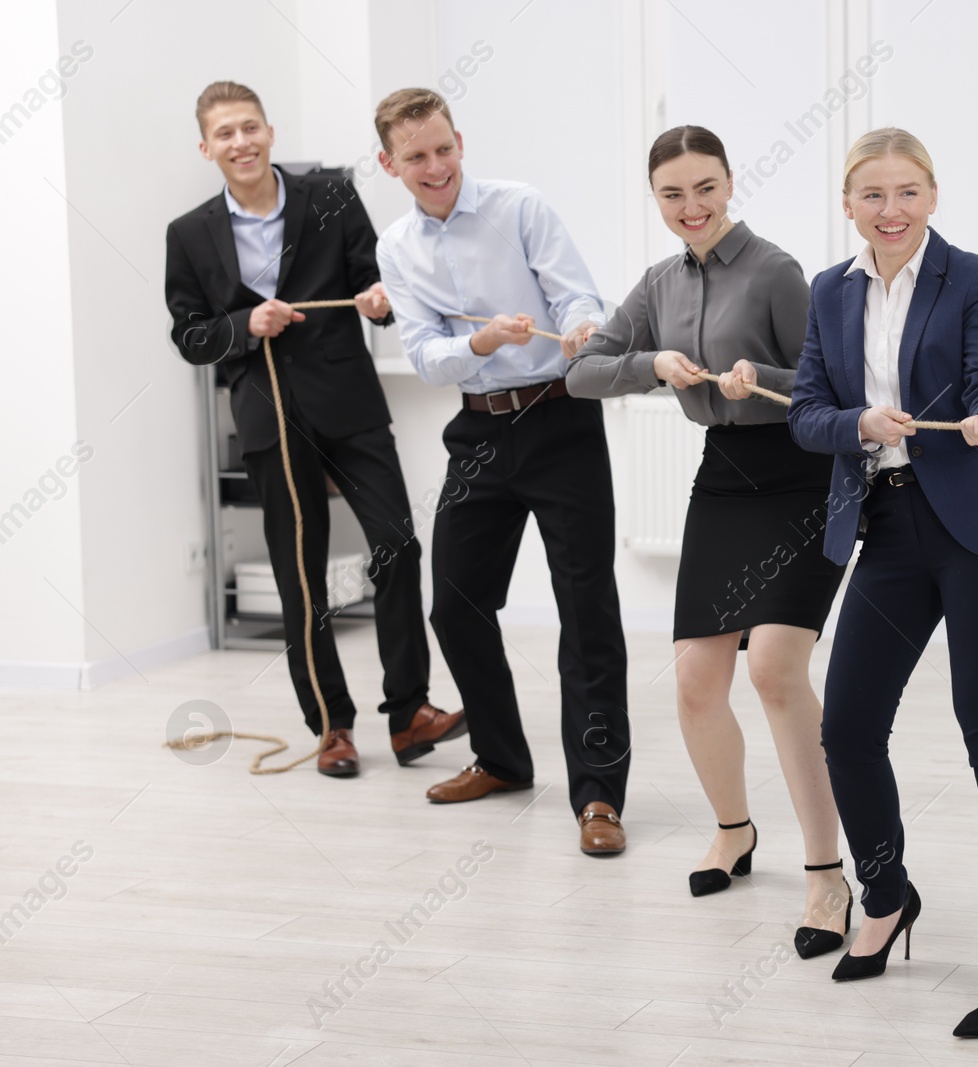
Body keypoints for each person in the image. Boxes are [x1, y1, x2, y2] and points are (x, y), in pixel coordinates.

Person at [787, 127, 978, 1037]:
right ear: (849, 204)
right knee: (847, 727)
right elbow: (805, 413)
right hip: (889, 528)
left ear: (933, 196)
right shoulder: (829, 292)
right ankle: (887, 891)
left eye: (908, 191)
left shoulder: (976, 275)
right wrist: (858, 422)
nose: (892, 209)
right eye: (873, 194)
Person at [567, 126, 851, 955]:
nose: (691, 208)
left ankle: (828, 873)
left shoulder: (775, 270)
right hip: (722, 480)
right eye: (672, 194)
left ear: (730, 182)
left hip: (797, 475)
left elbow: (829, 388)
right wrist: (652, 363)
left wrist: (759, 379)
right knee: (695, 680)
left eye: (704, 188)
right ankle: (734, 830)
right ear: (655, 199)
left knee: (772, 669)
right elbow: (583, 372)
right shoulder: (658, 282)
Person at [165, 81, 465, 779]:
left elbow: (372, 281)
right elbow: (189, 335)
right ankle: (332, 727)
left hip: (349, 403)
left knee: (396, 543)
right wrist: (244, 325)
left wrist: (380, 299)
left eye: (250, 128)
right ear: (206, 147)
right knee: (302, 580)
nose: (241, 142)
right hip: (269, 415)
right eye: (225, 133)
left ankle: (409, 711)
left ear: (270, 131)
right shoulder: (188, 234)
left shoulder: (329, 192)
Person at [372, 88, 631, 855]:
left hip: (560, 421)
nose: (436, 165)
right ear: (390, 163)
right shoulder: (395, 247)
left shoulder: (521, 206)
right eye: (416, 156)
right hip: (479, 429)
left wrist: (583, 323)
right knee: (454, 604)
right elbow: (421, 354)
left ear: (460, 140)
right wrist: (479, 345)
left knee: (585, 613)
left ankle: (598, 797)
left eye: (444, 148)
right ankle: (503, 758)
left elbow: (576, 290)